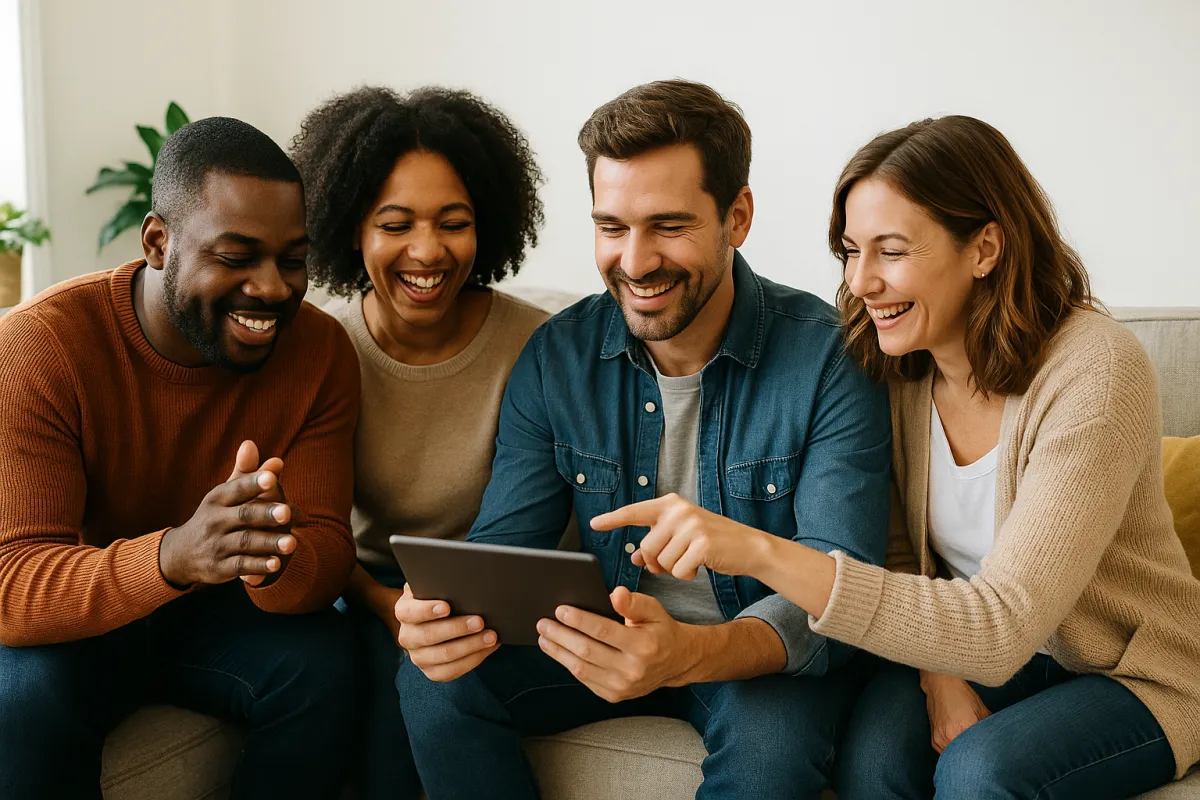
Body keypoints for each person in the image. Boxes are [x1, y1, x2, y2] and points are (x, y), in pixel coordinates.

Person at [619, 115, 1200, 798]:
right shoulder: (893, 362)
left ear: (984, 247)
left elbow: (1004, 623)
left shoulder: (1095, 372)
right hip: (975, 651)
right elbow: (900, 551)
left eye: (890, 251)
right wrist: (941, 677)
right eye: (850, 251)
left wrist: (755, 550)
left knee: (980, 771)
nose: (862, 282)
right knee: (872, 764)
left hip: (1129, 672)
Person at [392, 79, 892, 799]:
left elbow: (841, 588)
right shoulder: (556, 357)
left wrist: (691, 652)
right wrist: (441, 614)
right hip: (605, 634)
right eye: (612, 227)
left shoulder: (827, 357)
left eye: (668, 225)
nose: (634, 261)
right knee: (429, 681)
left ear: (737, 216)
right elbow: (505, 551)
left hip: (753, 654)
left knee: (769, 758)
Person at [0, 117, 361, 798]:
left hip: (219, 615)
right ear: (158, 242)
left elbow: (329, 551)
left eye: (291, 258)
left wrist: (271, 553)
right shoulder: (38, 347)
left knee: (326, 664)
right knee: (20, 699)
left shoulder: (319, 354)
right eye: (236, 256)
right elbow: (12, 583)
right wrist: (174, 555)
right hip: (83, 614)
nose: (274, 288)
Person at [290, 86, 549, 800]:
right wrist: (391, 609)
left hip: (502, 606)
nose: (428, 251)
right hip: (365, 595)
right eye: (395, 224)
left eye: (454, 223)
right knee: (376, 737)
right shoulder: (320, 348)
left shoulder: (537, 345)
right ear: (351, 229)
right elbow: (313, 524)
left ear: (486, 225)